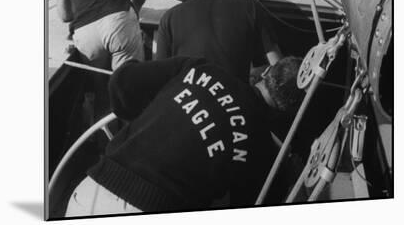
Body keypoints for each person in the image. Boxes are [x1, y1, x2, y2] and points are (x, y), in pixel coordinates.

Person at [65, 55, 304, 216]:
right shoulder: (263, 151)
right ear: (289, 112)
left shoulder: (201, 67)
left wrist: (150, 120)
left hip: (88, 194)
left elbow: (121, 83)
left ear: (265, 73)